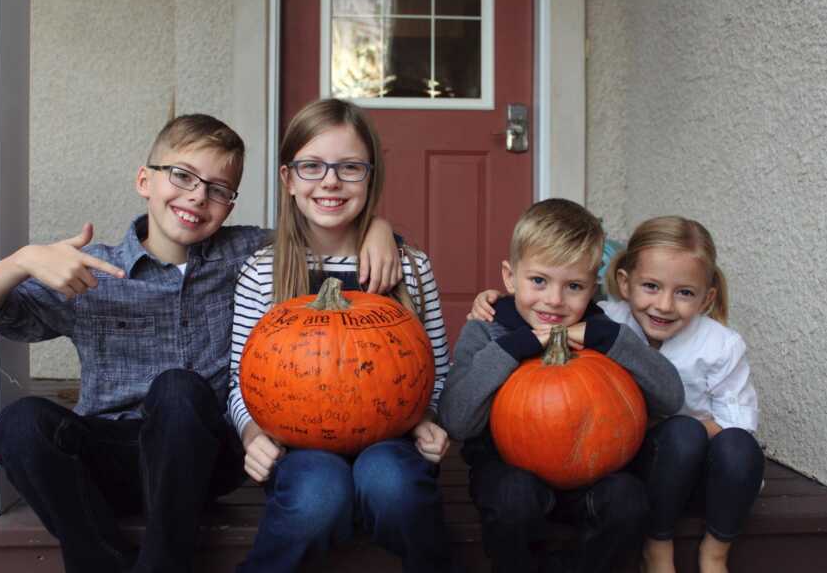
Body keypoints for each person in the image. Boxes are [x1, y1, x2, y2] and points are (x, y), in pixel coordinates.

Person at [0, 113, 401, 573]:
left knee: (177, 388)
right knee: (20, 423)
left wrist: (379, 228)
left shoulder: (247, 255)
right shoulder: (92, 270)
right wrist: (23, 260)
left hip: (203, 458)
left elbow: (326, 231)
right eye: (182, 176)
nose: (198, 196)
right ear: (145, 180)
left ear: (230, 205)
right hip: (109, 457)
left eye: (218, 189)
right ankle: (97, 562)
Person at [227, 98, 455, 573]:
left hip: (394, 438)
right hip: (297, 444)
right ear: (288, 180)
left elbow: (436, 367)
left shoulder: (408, 267)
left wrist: (429, 416)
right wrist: (252, 434)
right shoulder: (262, 271)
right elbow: (241, 380)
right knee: (316, 496)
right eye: (312, 166)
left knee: (392, 485)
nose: (330, 181)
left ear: (370, 178)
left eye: (350, 167)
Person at [441, 198, 684, 573]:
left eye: (573, 286)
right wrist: (513, 348)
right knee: (512, 499)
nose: (554, 300)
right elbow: (456, 420)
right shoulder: (487, 329)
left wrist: (610, 341)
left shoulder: (604, 334)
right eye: (539, 281)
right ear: (509, 277)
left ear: (592, 287)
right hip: (508, 472)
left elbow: (670, 397)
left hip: (594, 474)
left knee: (629, 500)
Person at [601, 216, 762, 573]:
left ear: (707, 298)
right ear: (626, 284)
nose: (664, 305)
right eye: (652, 286)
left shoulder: (721, 345)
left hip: (701, 476)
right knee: (682, 433)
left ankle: (715, 552)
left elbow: (736, 425)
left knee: (739, 447)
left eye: (684, 292)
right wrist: (492, 302)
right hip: (642, 473)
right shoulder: (605, 322)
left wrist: (678, 427)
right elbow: (548, 312)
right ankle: (656, 545)